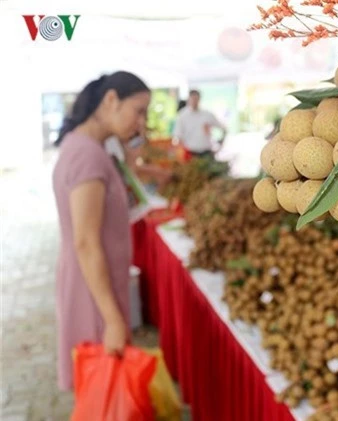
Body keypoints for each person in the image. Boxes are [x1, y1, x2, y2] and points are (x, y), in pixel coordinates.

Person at [52, 71, 150, 390]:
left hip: (94, 281)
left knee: (104, 388)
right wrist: (112, 319)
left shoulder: (90, 147)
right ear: (111, 100)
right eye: (139, 111)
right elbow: (85, 242)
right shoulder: (87, 155)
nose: (141, 123)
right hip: (93, 289)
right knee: (102, 389)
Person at [173, 89, 226, 158]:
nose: (194, 101)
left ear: (199, 99)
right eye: (193, 99)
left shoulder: (207, 114)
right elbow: (178, 136)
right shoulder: (182, 115)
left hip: (206, 152)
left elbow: (223, 128)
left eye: (196, 99)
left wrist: (220, 145)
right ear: (189, 99)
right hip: (190, 152)